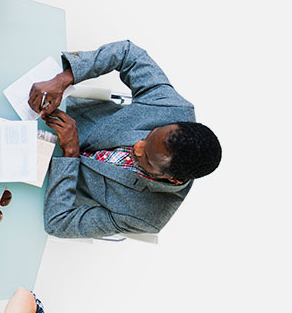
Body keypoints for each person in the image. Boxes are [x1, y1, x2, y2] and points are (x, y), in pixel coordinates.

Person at [28, 40, 222, 238]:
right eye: (148, 136)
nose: (137, 146)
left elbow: (59, 223)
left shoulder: (146, 217)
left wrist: (70, 153)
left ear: (171, 179)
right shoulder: (172, 108)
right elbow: (128, 54)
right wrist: (64, 79)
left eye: (146, 157)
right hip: (46, 114)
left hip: (39, 179)